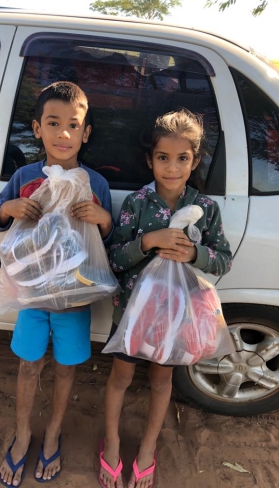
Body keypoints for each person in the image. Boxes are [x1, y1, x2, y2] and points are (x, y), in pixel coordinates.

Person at [99, 109, 232, 488]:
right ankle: (110, 444)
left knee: (161, 380)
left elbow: (223, 260)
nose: (171, 168)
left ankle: (147, 449)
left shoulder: (205, 209)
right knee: (121, 376)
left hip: (178, 316)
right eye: (162, 158)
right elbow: (114, 259)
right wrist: (147, 242)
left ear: (194, 161)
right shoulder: (137, 203)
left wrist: (194, 255)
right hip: (133, 312)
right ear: (150, 159)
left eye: (182, 158)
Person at [0, 81, 114, 487]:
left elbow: (106, 238)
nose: (63, 133)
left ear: (86, 132)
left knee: (65, 369)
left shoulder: (95, 184)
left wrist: (103, 220)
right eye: (53, 123)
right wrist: (9, 207)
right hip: (32, 297)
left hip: (75, 301)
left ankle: (54, 432)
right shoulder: (26, 176)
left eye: (73, 125)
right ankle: (24, 432)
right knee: (29, 366)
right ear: (36, 128)